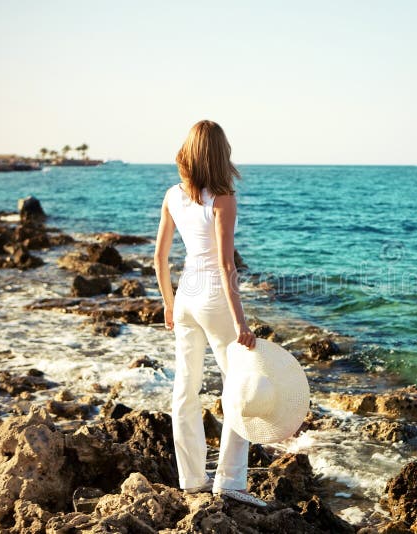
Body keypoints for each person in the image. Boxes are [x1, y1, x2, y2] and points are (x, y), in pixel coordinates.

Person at [153, 120, 265, 507]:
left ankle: (191, 479)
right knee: (240, 387)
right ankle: (230, 481)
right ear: (220, 154)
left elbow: (160, 257)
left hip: (185, 295)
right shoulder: (222, 198)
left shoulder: (172, 195)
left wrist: (169, 302)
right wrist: (240, 322)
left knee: (185, 387)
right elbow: (226, 266)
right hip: (214, 299)